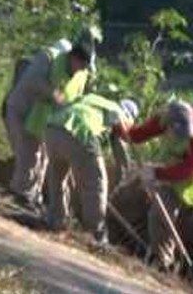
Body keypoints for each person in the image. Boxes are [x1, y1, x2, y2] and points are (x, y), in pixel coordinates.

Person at [118, 99, 193, 287]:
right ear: (167, 124)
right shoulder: (162, 119)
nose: (185, 138)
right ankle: (162, 267)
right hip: (175, 174)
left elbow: (190, 169)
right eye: (178, 133)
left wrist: (156, 173)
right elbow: (135, 136)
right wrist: (119, 124)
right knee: (159, 215)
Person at [2, 25, 103, 212]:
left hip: (45, 122)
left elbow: (75, 101)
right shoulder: (47, 58)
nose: (82, 69)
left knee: (43, 161)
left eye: (85, 67)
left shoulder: (81, 75)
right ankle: (20, 200)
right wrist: (54, 94)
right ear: (73, 57)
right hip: (22, 112)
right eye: (81, 64)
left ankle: (33, 201)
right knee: (28, 157)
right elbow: (32, 82)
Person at [44, 93, 139, 247]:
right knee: (96, 184)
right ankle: (97, 234)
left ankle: (55, 219)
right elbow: (122, 153)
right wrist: (124, 178)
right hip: (79, 132)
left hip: (53, 129)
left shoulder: (94, 99)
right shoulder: (117, 111)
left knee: (58, 177)